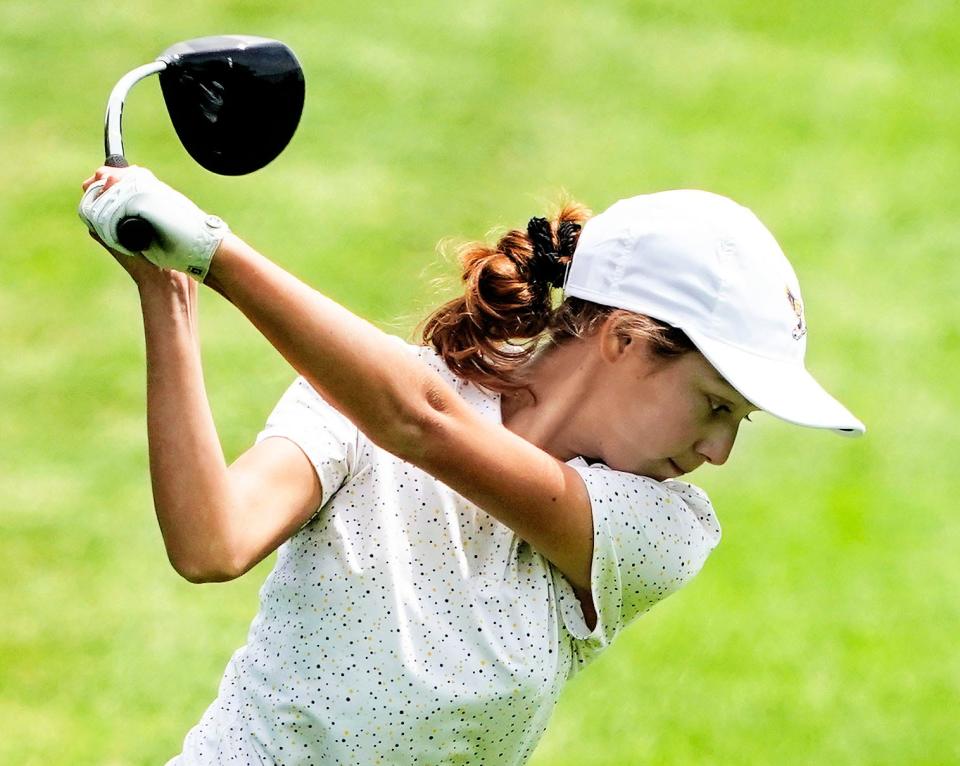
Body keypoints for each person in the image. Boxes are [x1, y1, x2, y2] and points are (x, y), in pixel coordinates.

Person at [78, 166, 865, 765]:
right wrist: (170, 287)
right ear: (625, 341)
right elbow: (212, 543)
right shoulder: (361, 393)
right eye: (716, 404)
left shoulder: (662, 528)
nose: (719, 452)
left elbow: (423, 424)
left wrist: (216, 250)